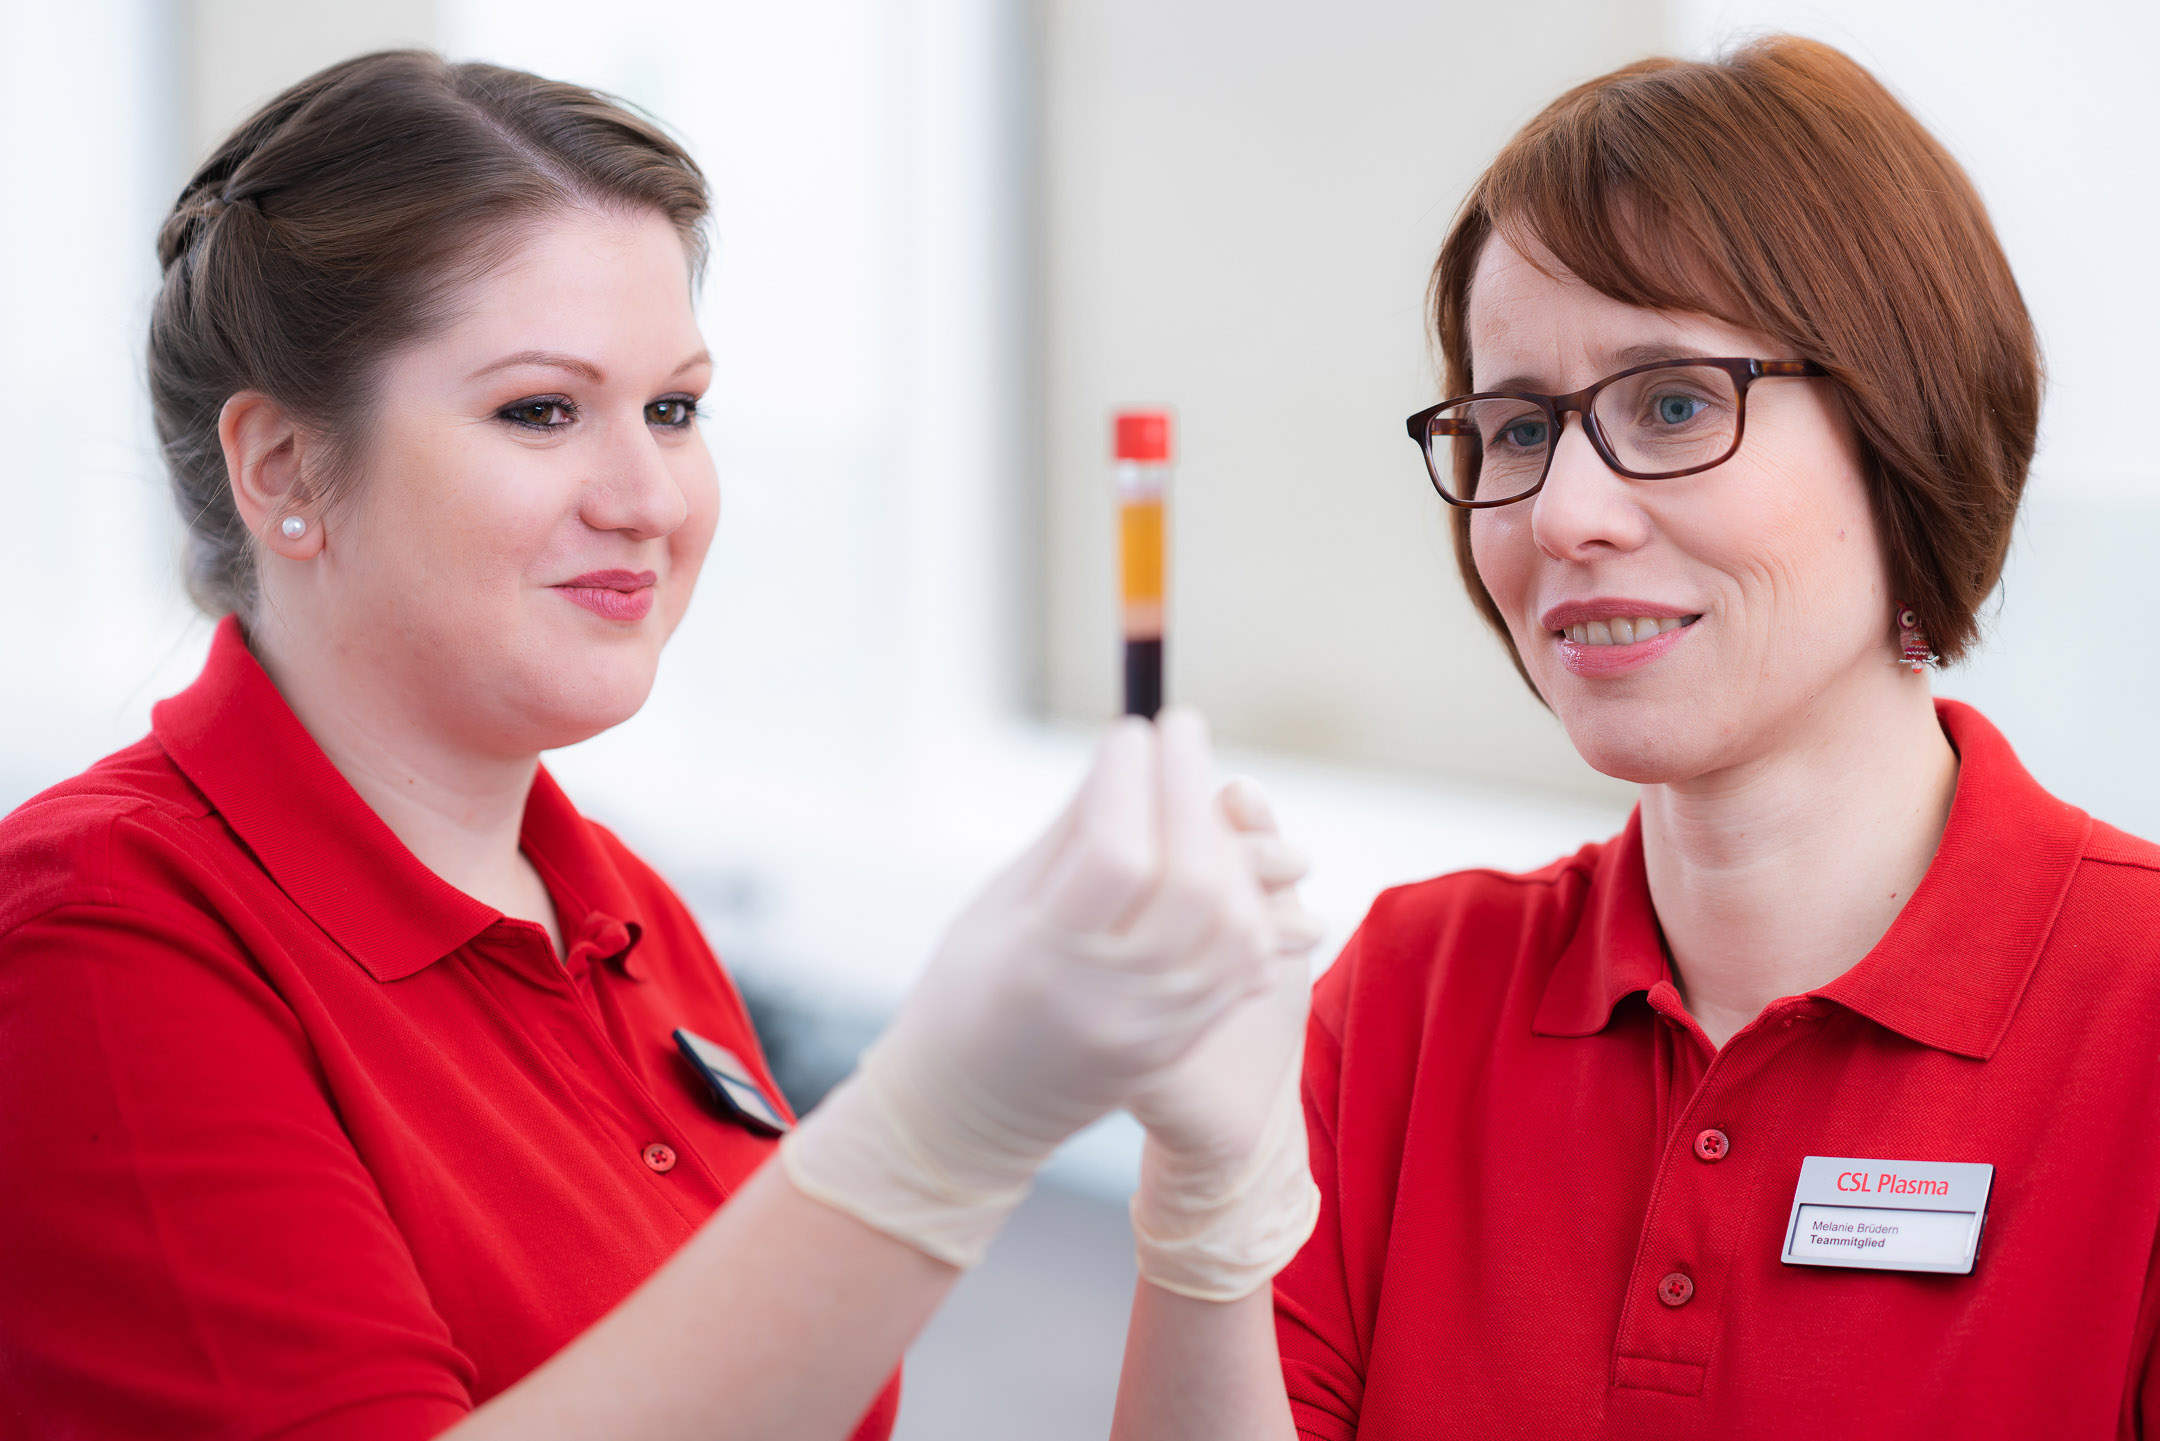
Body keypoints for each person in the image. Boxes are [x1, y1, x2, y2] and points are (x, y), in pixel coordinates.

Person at [0, 52, 1322, 1439]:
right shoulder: (99, 939)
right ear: (282, 468)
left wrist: (1212, 1221)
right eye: (540, 410)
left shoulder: (629, 920)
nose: (650, 499)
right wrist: (939, 1131)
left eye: (674, 410)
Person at [1110, 35, 2160, 1438]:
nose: (1562, 515)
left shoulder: (2138, 1017)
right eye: (1516, 429)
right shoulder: (1409, 1000)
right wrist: (1208, 1199)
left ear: (1907, 427)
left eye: (1672, 403)